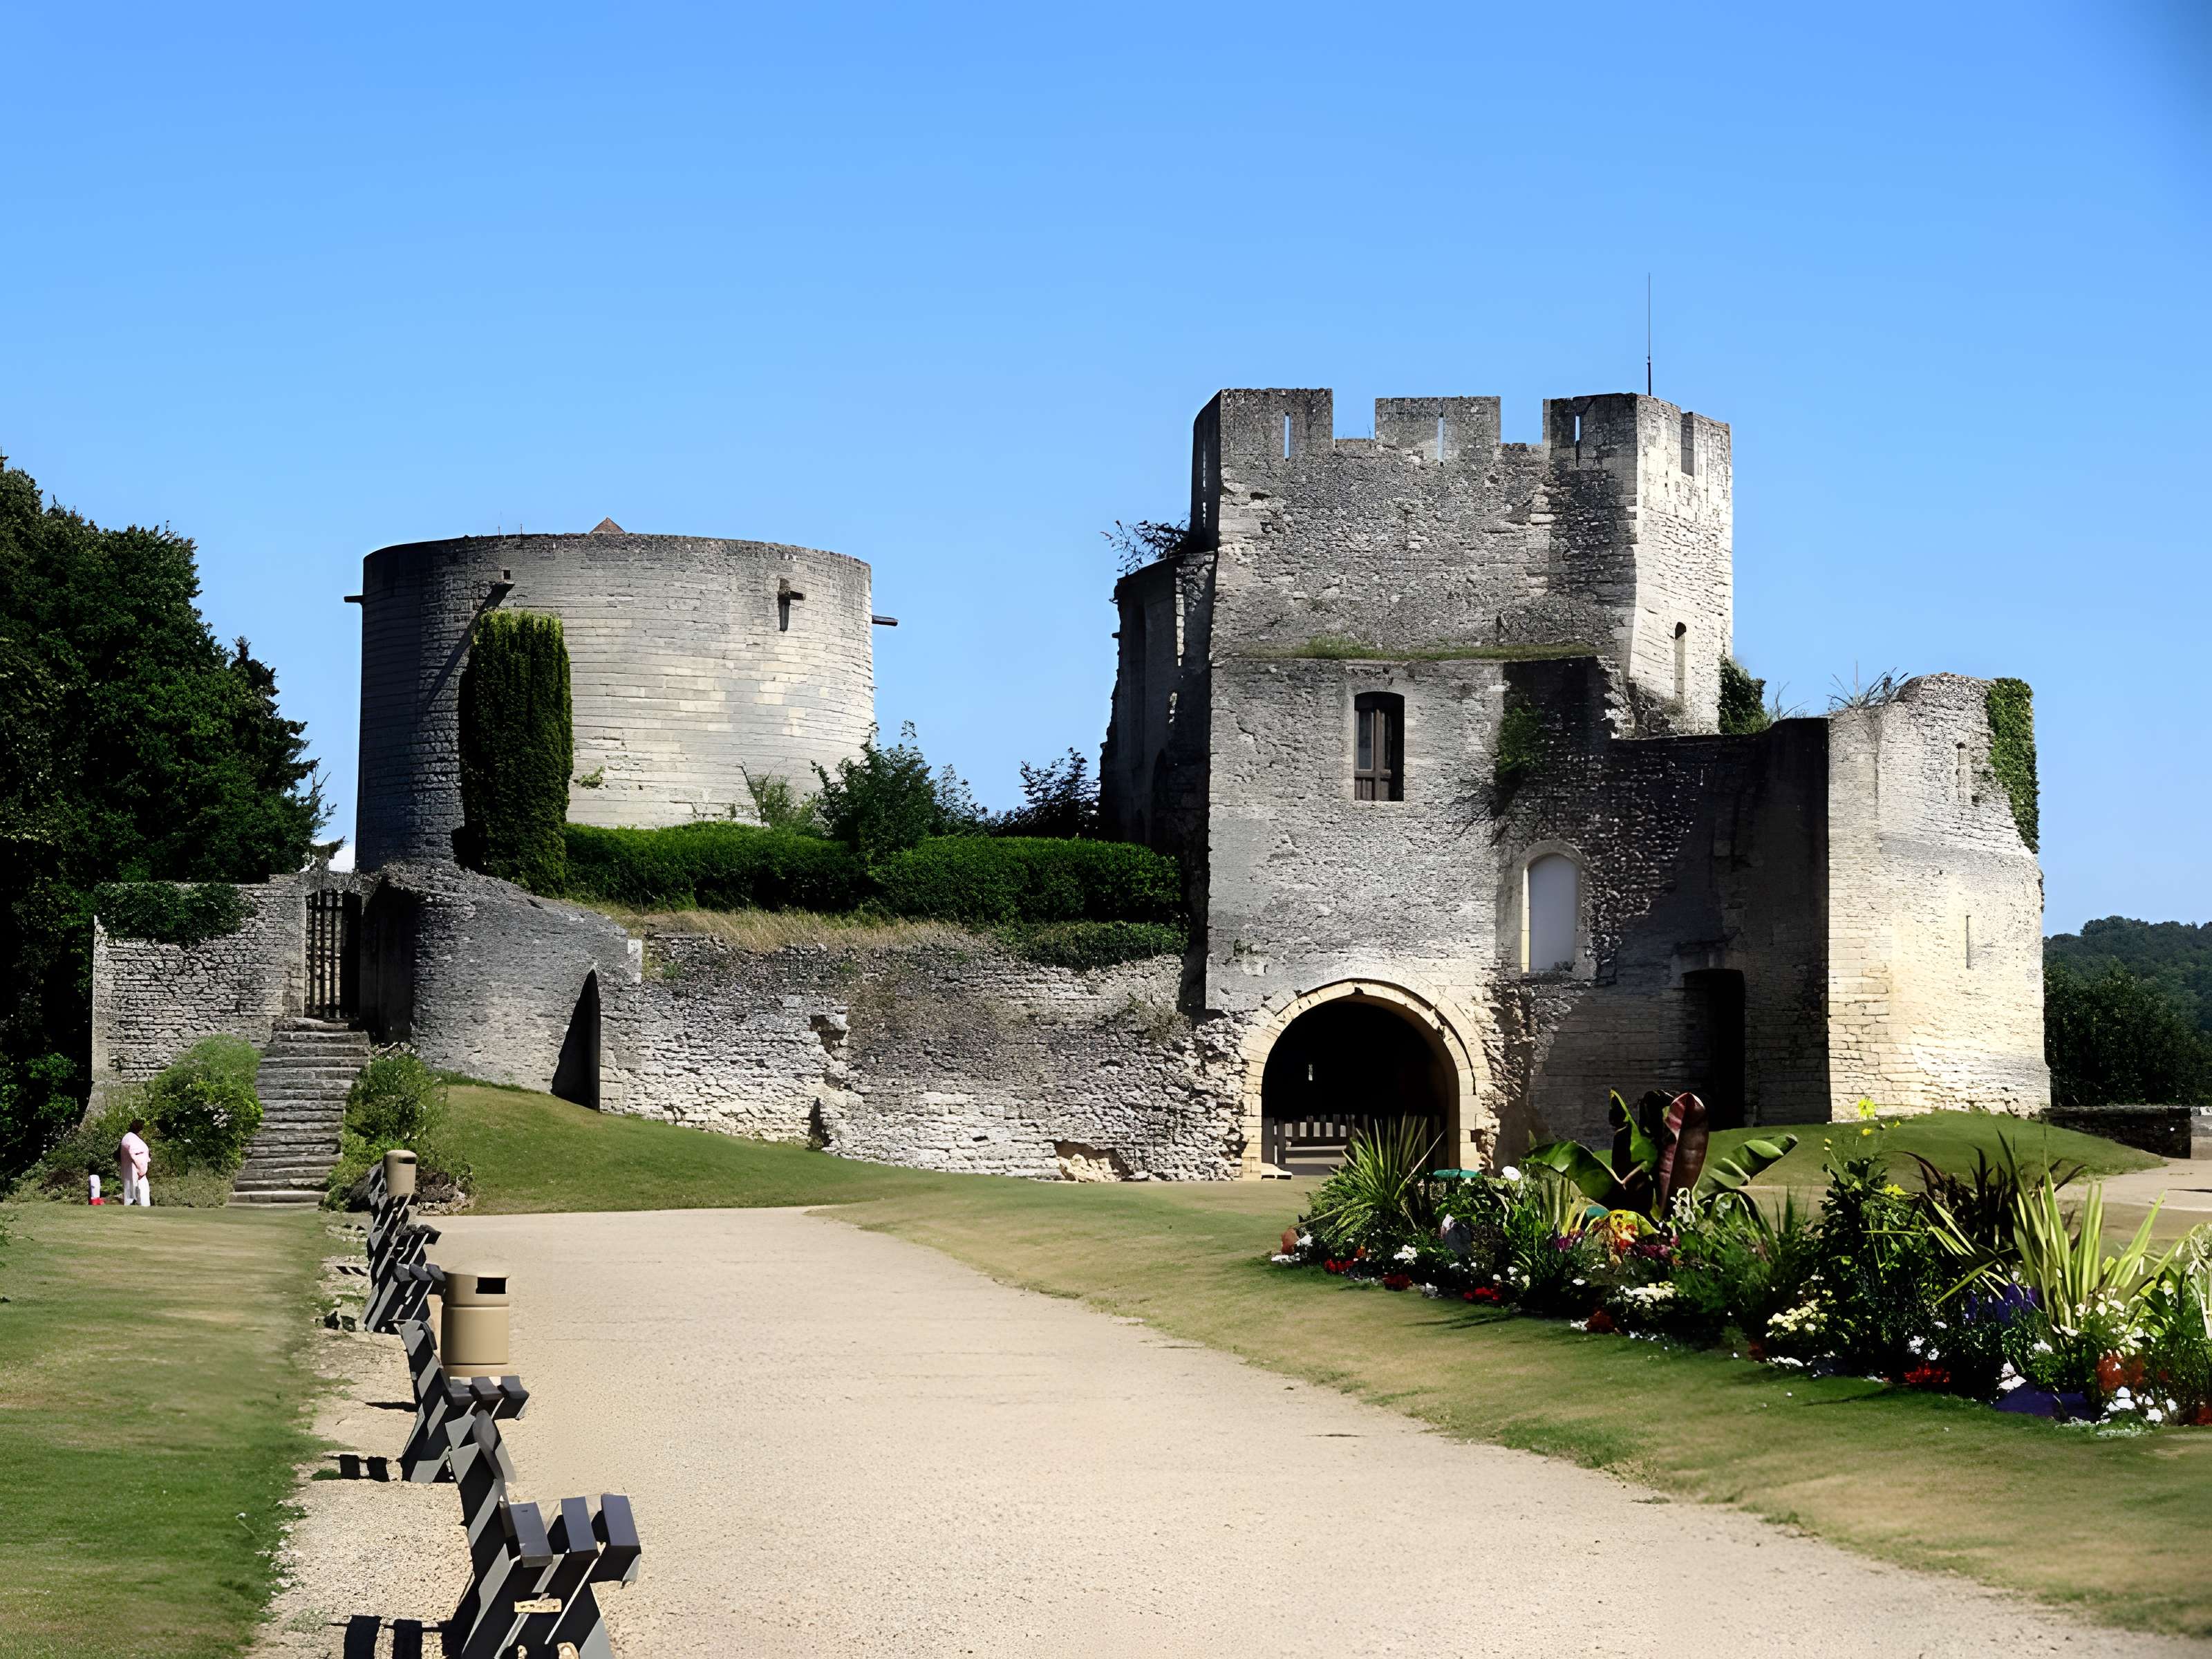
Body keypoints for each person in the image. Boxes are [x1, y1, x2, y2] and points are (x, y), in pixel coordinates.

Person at [118, 1118, 152, 1208]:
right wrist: (140, 1167)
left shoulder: (132, 1138)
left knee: (142, 1193)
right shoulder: (131, 1138)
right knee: (132, 1195)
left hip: (135, 1169)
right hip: (133, 1169)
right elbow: (134, 1152)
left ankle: (142, 1208)